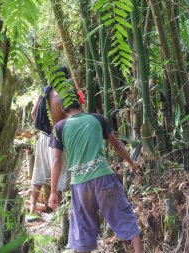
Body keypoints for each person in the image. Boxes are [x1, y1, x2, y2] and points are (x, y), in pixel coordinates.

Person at [48, 89, 143, 253]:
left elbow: (56, 160)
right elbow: (118, 145)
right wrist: (132, 163)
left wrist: (53, 191)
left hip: (80, 185)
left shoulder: (59, 128)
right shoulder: (97, 119)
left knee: (83, 227)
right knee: (124, 215)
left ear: (63, 108)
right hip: (104, 178)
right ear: (81, 102)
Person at [30, 68, 69, 214]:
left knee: (38, 172)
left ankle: (33, 205)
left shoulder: (44, 91)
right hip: (58, 138)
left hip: (43, 136)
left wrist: (42, 129)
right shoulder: (64, 94)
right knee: (59, 172)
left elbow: (33, 113)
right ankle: (58, 211)